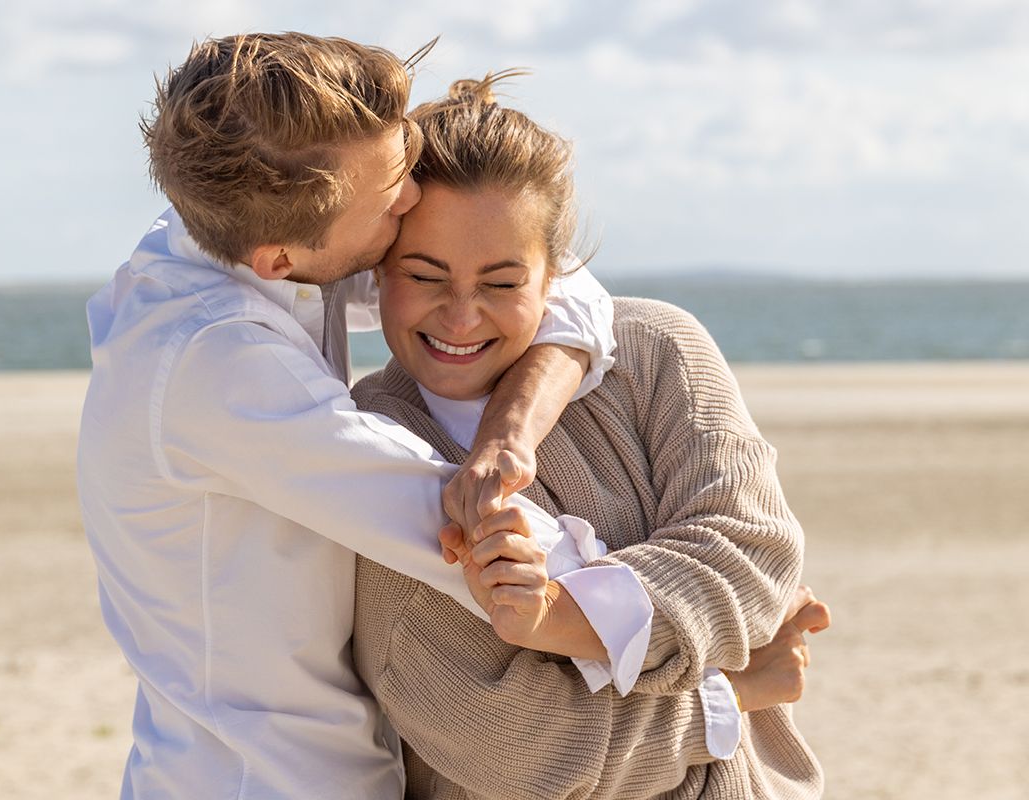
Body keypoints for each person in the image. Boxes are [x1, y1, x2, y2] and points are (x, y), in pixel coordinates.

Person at [78, 33, 641, 800]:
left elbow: (563, 286)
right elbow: (454, 523)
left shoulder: (243, 240)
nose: (413, 198)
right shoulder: (218, 361)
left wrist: (511, 425)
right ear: (279, 258)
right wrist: (708, 655)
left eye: (404, 152)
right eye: (392, 197)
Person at [350, 74, 830, 799]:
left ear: (556, 278)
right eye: (425, 275)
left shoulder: (656, 349)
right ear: (378, 273)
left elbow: (753, 553)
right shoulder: (366, 447)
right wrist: (730, 692)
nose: (460, 316)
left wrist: (560, 619)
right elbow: (513, 745)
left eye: (503, 282)